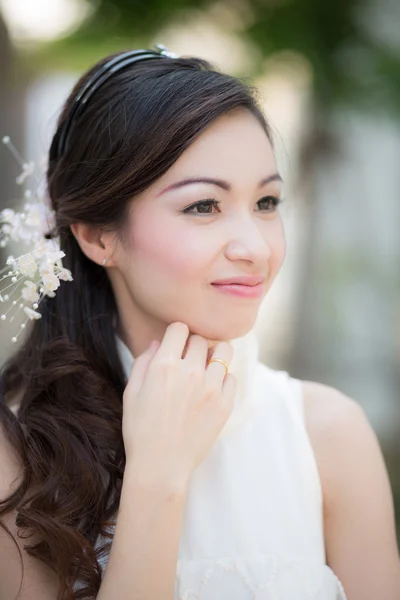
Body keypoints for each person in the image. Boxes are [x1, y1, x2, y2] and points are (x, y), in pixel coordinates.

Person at [0, 46, 399, 600]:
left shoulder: (328, 434)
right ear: (96, 236)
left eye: (266, 201)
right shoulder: (19, 455)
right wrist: (158, 474)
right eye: (203, 206)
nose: (256, 247)